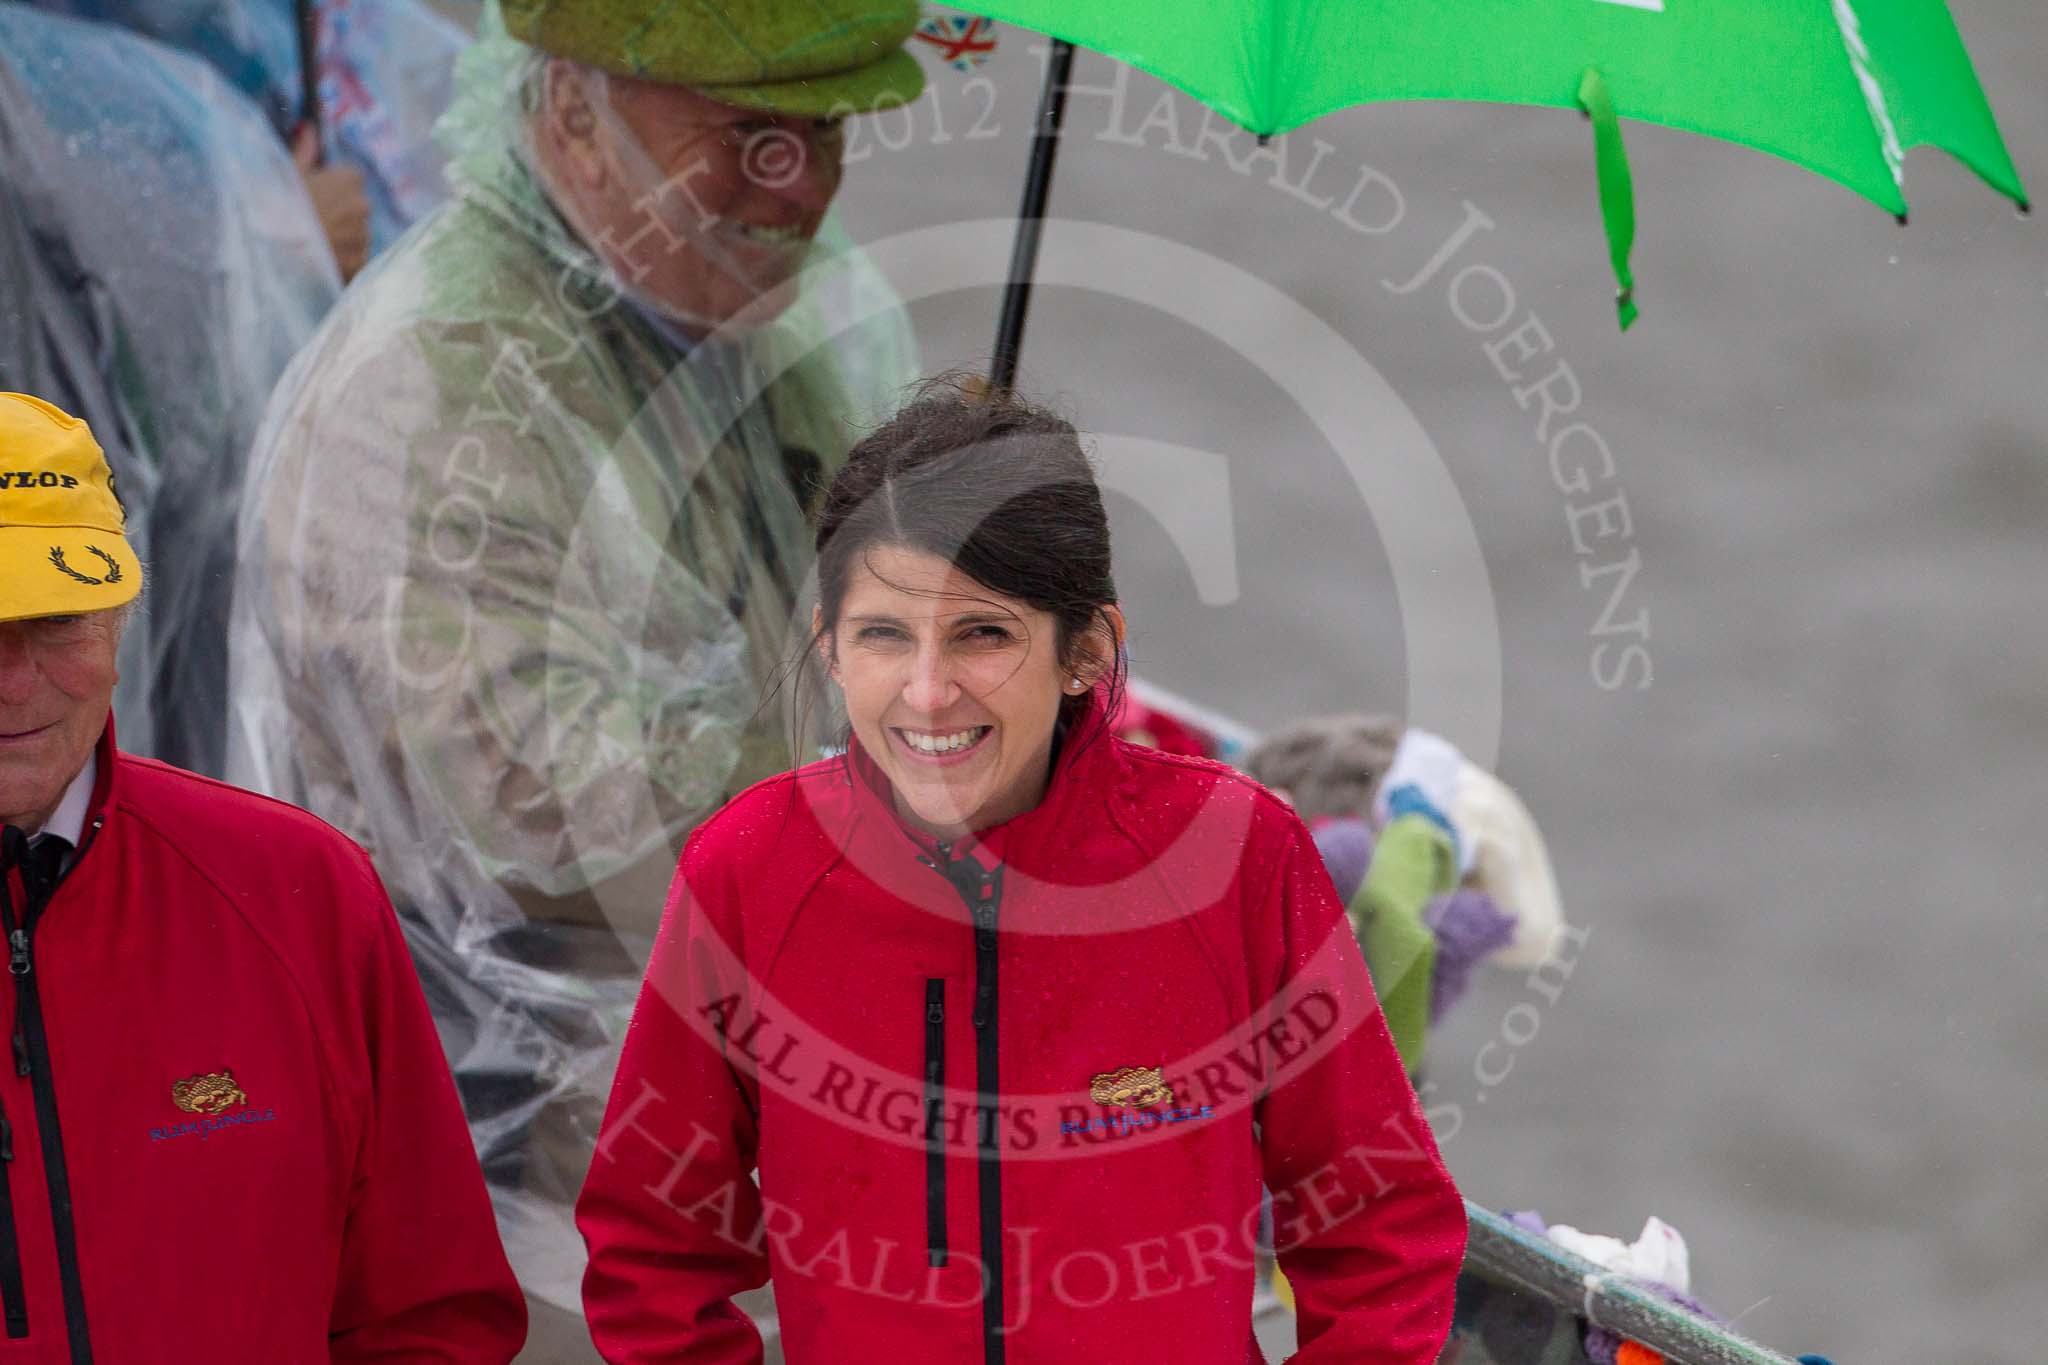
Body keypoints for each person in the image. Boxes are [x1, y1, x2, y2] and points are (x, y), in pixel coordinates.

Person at [226, 0, 927, 1327]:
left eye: (828, 129)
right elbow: (521, 809)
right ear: (572, 117)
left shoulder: (773, 343)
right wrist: (912, 785)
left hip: (751, 1130)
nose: (800, 184)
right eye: (744, 133)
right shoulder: (438, 382)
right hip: (504, 1199)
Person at [578, 383, 1467, 1362]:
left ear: (1085, 650)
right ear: (828, 646)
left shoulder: (1235, 856)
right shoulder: (745, 873)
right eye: (881, 634)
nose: (926, 692)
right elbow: (652, 1249)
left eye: (982, 634)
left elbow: (1380, 1220)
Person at [0, 391, 525, 1359]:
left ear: (121, 618)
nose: (17, 679)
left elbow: (428, 1311)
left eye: (57, 619)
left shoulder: (297, 889)